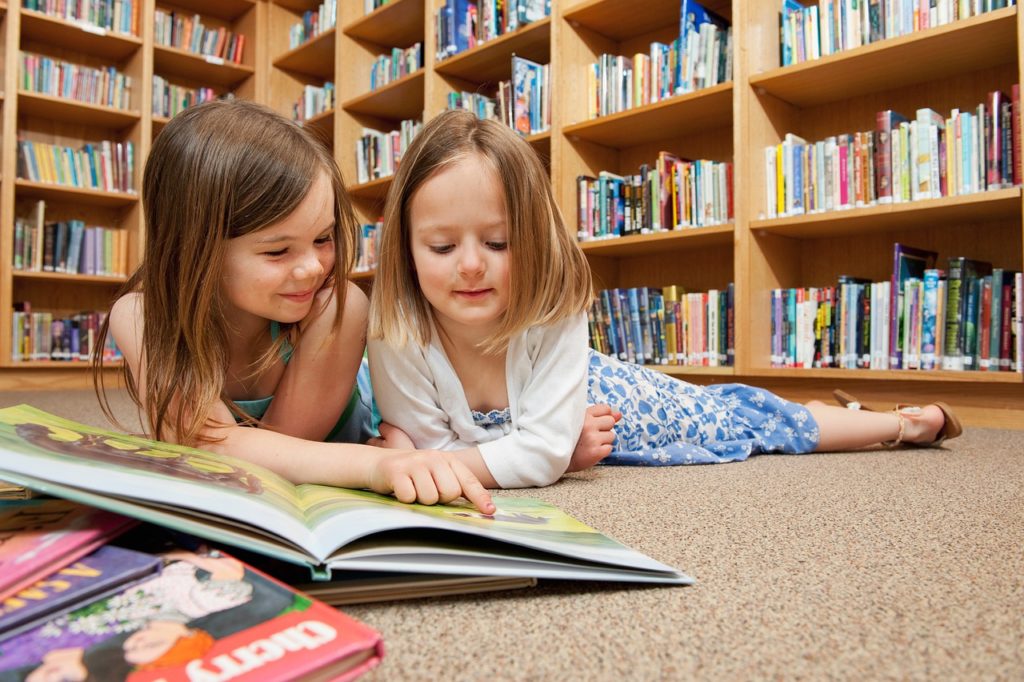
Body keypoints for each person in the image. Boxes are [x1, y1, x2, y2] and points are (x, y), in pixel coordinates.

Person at [366, 109, 963, 490]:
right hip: (573, 425)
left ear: (534, 240)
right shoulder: (394, 328)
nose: (471, 265)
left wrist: (536, 455)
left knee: (749, 418)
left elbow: (448, 459)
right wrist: (533, 452)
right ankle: (847, 412)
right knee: (746, 413)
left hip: (610, 398)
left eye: (497, 242)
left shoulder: (554, 308)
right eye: (442, 246)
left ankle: (902, 425)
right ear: (405, 248)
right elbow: (453, 456)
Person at [92, 99, 496, 511]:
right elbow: (213, 449)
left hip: (385, 430)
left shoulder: (337, 308)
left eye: (323, 239)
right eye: (278, 251)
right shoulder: (142, 316)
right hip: (370, 457)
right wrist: (377, 465)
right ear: (192, 248)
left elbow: (276, 454)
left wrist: (386, 460)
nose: (312, 268)